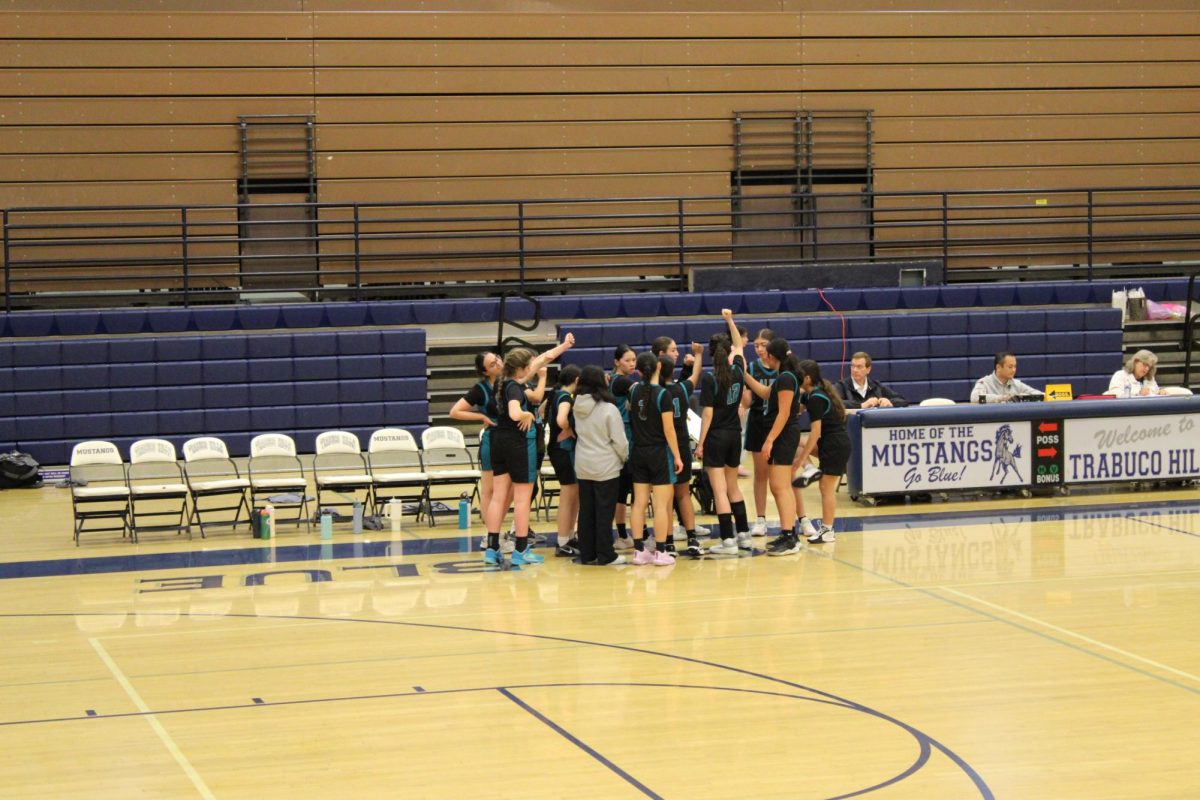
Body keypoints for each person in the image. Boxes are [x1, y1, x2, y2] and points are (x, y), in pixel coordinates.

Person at [483, 334, 574, 566]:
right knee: (522, 499)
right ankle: (521, 550)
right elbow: (515, 411)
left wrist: (563, 346)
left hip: (498, 441)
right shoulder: (515, 388)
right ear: (521, 369)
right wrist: (526, 414)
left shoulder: (504, 382)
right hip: (518, 443)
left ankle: (492, 548)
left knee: (498, 497)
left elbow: (541, 360)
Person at [744, 336, 816, 556]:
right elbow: (766, 393)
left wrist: (769, 439)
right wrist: (744, 374)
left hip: (784, 435)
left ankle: (790, 536)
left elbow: (784, 413)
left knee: (780, 487)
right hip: (782, 435)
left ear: (772, 356)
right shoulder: (783, 376)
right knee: (778, 486)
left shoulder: (785, 378)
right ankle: (787, 533)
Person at [696, 310, 752, 555]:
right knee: (733, 488)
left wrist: (700, 443)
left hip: (717, 436)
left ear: (710, 353)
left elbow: (707, 414)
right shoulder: (739, 370)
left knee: (719, 491)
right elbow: (739, 346)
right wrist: (730, 321)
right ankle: (744, 535)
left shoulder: (710, 379)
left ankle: (728, 540)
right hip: (734, 436)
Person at [627, 351, 682, 566]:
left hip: (638, 452)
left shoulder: (633, 392)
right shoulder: (663, 395)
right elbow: (669, 430)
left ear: (639, 371)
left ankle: (639, 551)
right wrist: (677, 455)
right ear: (659, 367)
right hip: (659, 453)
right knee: (661, 505)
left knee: (639, 504)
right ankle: (660, 552)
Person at [572, 365, 629, 565]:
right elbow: (620, 441)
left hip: (583, 464)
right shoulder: (608, 409)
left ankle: (587, 554)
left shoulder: (576, 405)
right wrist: (623, 458)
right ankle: (606, 554)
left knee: (586, 512)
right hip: (606, 465)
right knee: (604, 512)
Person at [791, 360, 850, 545]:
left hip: (835, 444)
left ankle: (828, 530)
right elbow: (797, 409)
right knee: (794, 441)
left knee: (826, 487)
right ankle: (809, 467)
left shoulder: (816, 398)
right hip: (829, 442)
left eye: (799, 376)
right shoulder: (811, 395)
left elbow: (815, 433)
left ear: (807, 378)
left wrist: (800, 461)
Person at [656, 338, 704, 555]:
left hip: (663, 446)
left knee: (665, 497)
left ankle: (668, 543)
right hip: (683, 445)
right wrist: (700, 356)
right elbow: (695, 376)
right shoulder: (682, 389)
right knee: (683, 494)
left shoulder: (653, 391)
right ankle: (692, 539)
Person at [448, 351, 503, 534]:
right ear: (486, 372)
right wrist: (481, 416)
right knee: (489, 490)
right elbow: (455, 411)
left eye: (498, 359)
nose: (498, 363)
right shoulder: (481, 389)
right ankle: (490, 535)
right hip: (492, 441)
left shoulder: (512, 382)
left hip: (512, 441)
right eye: (493, 364)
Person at [742, 328, 777, 537]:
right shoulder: (753, 367)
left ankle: (798, 518)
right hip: (757, 422)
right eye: (756, 345)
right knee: (761, 474)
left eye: (763, 345)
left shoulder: (781, 368)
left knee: (782, 475)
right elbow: (747, 402)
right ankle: (760, 519)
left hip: (777, 423)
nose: (759, 349)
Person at [546, 365, 581, 557]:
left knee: (573, 494)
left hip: (558, 449)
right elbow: (561, 419)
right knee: (568, 496)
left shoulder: (555, 394)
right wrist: (567, 430)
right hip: (563, 450)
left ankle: (569, 535)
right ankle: (562, 540)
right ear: (576, 380)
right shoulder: (566, 397)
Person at [609, 345, 637, 550]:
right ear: (617, 361)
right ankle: (625, 534)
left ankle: (622, 534)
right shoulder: (623, 382)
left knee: (622, 490)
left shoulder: (611, 379)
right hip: (626, 437)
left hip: (620, 437)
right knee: (628, 490)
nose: (632, 364)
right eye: (627, 360)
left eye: (634, 360)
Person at [834, 352, 908, 409]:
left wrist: (890, 403)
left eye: (859, 367)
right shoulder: (842, 386)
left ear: (868, 369)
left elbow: (902, 400)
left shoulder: (876, 386)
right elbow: (834, 403)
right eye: (852, 366)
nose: (855, 370)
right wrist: (861, 405)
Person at [970, 352, 1043, 403]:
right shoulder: (985, 382)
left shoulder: (1017, 384)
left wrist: (1026, 397)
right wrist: (1001, 398)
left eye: (1015, 366)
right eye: (1010, 367)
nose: (1014, 370)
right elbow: (974, 398)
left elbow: (1039, 394)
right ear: (998, 367)